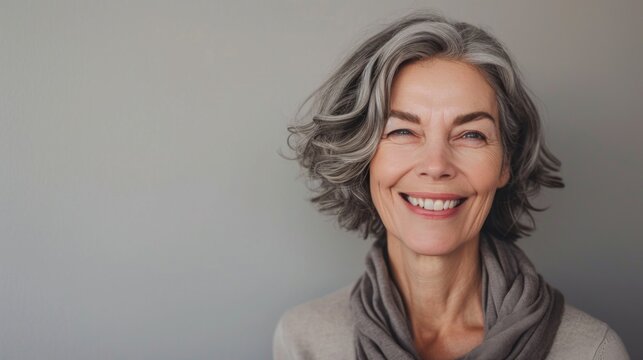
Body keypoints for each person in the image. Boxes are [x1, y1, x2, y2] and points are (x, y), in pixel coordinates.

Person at [273, 11, 630, 360]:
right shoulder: (304, 340)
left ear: (506, 163)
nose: (436, 165)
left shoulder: (591, 351)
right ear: (363, 157)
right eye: (402, 131)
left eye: (471, 135)